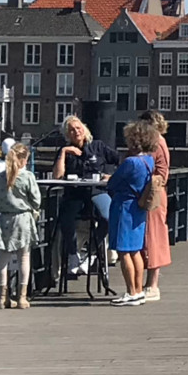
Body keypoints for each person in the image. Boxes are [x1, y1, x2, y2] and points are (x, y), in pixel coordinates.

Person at [51, 116, 109, 281]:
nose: (76, 131)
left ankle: (91, 255)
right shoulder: (66, 150)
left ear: (84, 128)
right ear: (67, 134)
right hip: (75, 194)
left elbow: (119, 161)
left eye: (78, 128)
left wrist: (110, 177)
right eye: (71, 130)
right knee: (66, 218)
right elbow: (57, 176)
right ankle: (72, 254)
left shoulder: (98, 147)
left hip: (97, 191)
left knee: (109, 217)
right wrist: (64, 152)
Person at [0, 139, 43, 309]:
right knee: (23, 258)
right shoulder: (27, 177)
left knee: (3, 258)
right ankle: (22, 297)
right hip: (23, 219)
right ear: (24, 159)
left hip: (5, 219)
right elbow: (36, 200)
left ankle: (2, 297)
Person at [107, 122, 158, 304]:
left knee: (123, 251)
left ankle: (131, 291)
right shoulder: (149, 161)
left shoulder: (130, 162)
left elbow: (112, 183)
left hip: (124, 207)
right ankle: (138, 290)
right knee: (135, 250)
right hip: (139, 208)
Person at [139, 108, 173, 303]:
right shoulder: (151, 142)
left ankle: (152, 285)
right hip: (148, 193)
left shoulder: (157, 142)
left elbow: (162, 172)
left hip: (154, 196)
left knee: (153, 237)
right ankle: (146, 284)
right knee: (148, 237)